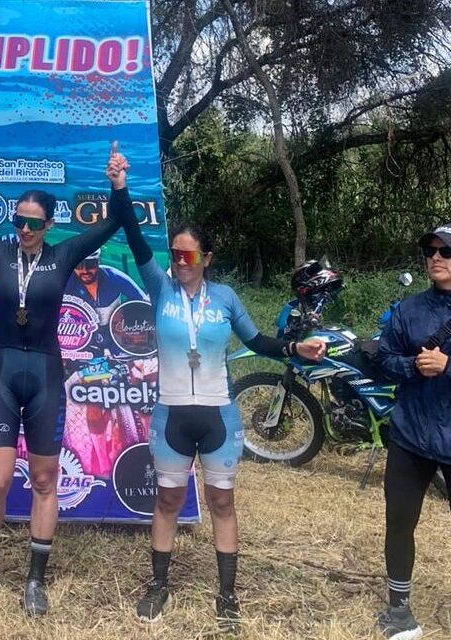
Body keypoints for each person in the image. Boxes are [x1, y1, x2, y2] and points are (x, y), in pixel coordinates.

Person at [112, 149, 326, 629]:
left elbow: (257, 341)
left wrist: (295, 349)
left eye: (189, 255)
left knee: (222, 503)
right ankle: (159, 585)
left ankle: (226, 595)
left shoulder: (226, 297)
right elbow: (131, 232)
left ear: (206, 258)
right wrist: (121, 187)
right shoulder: (159, 286)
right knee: (167, 501)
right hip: (170, 415)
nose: (180, 261)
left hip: (219, 415)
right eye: (175, 254)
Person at [0, 145, 122, 615]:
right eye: (19, 221)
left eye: (34, 223)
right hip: (3, 370)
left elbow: (112, 223)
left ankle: (35, 579)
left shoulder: (65, 252)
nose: (25, 230)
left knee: (44, 479)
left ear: (49, 225)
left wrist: (117, 184)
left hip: (48, 373)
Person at [374, 223, 451, 640]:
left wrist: (447, 367)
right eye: (430, 250)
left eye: (446, 252)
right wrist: (412, 367)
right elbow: (384, 359)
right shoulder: (408, 310)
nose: (436, 257)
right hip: (411, 435)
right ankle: (399, 609)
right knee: (400, 522)